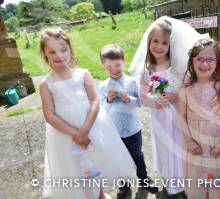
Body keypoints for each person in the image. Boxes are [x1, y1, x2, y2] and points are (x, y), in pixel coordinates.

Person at [39, 27, 136, 199]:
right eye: (52, 51)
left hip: (91, 125)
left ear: (70, 49)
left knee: (94, 161)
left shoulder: (83, 74)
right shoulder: (46, 83)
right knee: (76, 166)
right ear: (44, 53)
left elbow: (95, 101)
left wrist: (84, 131)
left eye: (63, 49)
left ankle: (99, 194)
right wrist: (76, 134)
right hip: (65, 134)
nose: (59, 55)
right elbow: (50, 115)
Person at [129, 16, 209, 198]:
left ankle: (184, 180)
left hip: (177, 114)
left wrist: (174, 95)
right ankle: (170, 182)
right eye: (155, 41)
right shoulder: (146, 70)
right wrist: (153, 102)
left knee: (180, 146)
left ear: (170, 45)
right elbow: (142, 97)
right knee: (165, 148)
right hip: (159, 117)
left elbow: (186, 87)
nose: (159, 46)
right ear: (149, 42)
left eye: (164, 43)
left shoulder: (176, 66)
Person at [98, 44, 158, 199]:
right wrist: (109, 99)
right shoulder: (103, 86)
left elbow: (140, 102)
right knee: (119, 158)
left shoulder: (132, 82)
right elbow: (101, 109)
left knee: (137, 155)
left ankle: (144, 179)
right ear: (104, 67)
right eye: (109, 67)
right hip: (114, 131)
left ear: (123, 62)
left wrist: (128, 99)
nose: (114, 69)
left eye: (117, 65)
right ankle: (123, 184)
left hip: (132, 128)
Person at [177, 38, 220, 199]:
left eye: (210, 59)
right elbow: (181, 116)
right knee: (197, 176)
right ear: (192, 61)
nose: (204, 64)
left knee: (218, 177)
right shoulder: (186, 87)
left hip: (217, 139)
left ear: (217, 62)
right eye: (199, 59)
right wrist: (189, 141)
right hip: (195, 139)